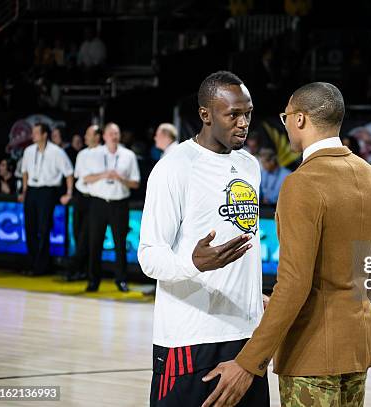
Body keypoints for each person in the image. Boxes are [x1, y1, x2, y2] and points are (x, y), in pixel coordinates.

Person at [202, 82, 371, 407]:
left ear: (300, 119)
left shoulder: (302, 183)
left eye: (285, 116)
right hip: (357, 348)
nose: (285, 122)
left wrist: (248, 362)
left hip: (311, 353)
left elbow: (295, 284)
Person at [137, 71, 269, 407]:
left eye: (248, 113)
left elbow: (245, 245)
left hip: (245, 334)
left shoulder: (250, 165)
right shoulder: (174, 168)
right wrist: (192, 263)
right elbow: (149, 255)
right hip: (191, 338)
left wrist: (255, 298)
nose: (243, 123)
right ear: (205, 114)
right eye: (233, 115)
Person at [85, 122, 140, 292]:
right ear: (104, 136)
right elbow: (85, 178)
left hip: (119, 203)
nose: (114, 136)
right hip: (98, 202)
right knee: (95, 243)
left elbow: (136, 183)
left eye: (116, 133)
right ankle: (93, 280)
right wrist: (104, 174)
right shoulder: (94, 154)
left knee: (120, 243)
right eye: (111, 133)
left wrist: (121, 179)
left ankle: (121, 280)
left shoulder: (128, 155)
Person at [19, 122, 74, 276]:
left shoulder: (57, 152)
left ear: (44, 135)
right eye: (33, 132)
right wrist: (24, 191)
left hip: (47, 191)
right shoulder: (28, 151)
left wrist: (68, 193)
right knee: (30, 228)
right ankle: (32, 264)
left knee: (43, 229)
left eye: (36, 132)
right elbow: (24, 172)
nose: (33, 135)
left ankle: (42, 267)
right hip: (31, 190)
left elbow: (69, 173)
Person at [67, 124, 101, 282]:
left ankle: (81, 270)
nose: (85, 137)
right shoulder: (81, 154)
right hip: (80, 197)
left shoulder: (103, 153)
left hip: (94, 198)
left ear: (97, 136)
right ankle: (79, 270)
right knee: (77, 233)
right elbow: (79, 176)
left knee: (88, 237)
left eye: (89, 134)